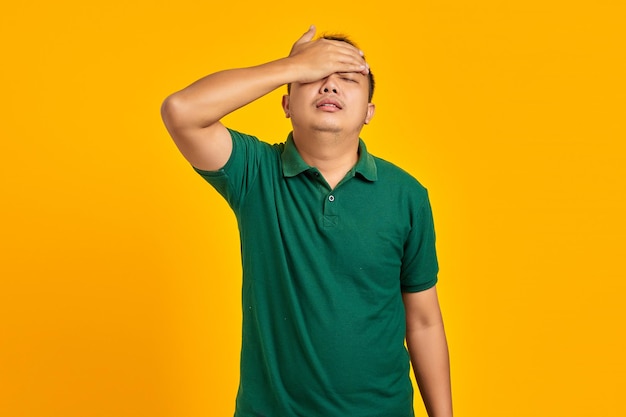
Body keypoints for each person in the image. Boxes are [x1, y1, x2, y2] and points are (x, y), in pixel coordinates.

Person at [161, 25, 453, 417]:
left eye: (347, 78)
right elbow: (182, 111)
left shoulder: (407, 195)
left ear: (368, 112)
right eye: (314, 76)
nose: (329, 86)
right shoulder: (255, 173)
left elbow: (423, 322)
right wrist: (290, 65)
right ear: (286, 103)